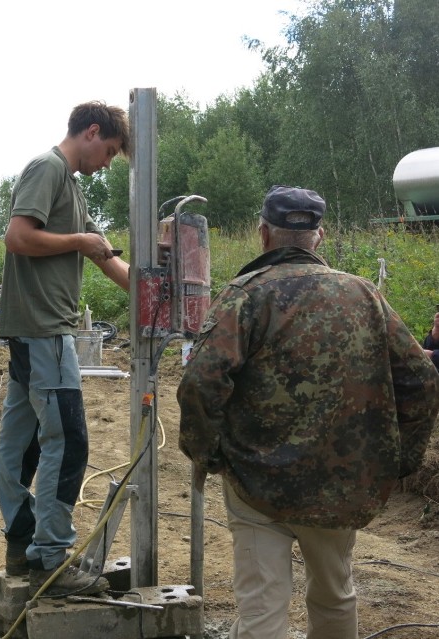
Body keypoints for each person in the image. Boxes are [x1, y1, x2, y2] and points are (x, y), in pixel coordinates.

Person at [177, 185, 439, 639]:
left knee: (261, 607)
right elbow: (422, 377)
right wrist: (400, 460)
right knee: (336, 596)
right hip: (340, 485)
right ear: (318, 237)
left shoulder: (245, 296)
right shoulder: (364, 295)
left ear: (263, 235)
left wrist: (208, 454)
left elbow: (201, 381)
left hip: (256, 483)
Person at [0, 101, 131, 597]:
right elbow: (18, 237)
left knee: (21, 441)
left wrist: (153, 291)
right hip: (45, 330)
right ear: (92, 132)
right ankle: (51, 560)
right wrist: (79, 241)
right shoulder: (48, 168)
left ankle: (22, 541)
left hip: (36, 331)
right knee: (67, 442)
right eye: (111, 150)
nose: (109, 162)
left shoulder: (69, 184)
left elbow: (99, 253)